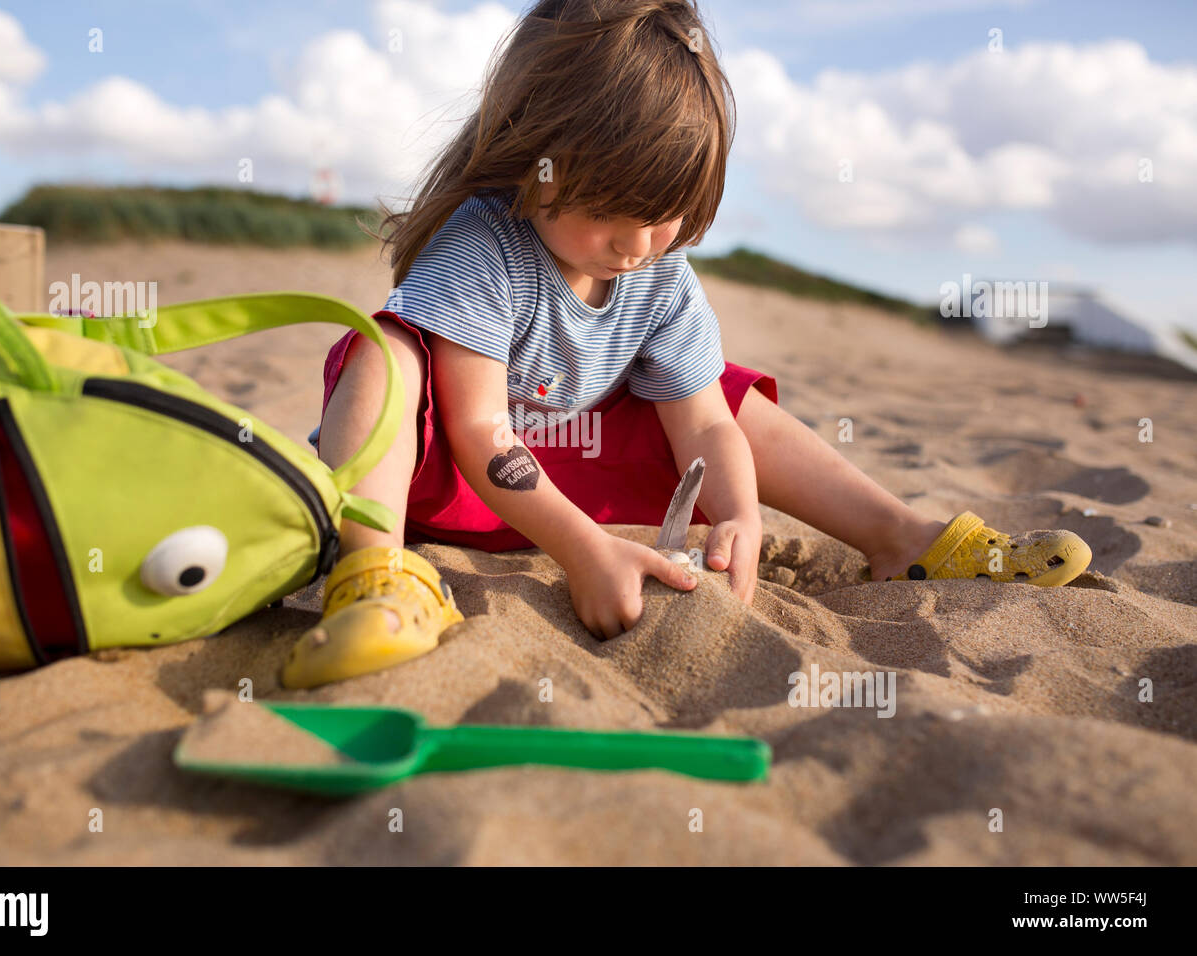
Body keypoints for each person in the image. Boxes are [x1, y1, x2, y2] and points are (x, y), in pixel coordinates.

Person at [281, 0, 1090, 688]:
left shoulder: (659, 273)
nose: (636, 243)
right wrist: (585, 552)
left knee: (731, 399)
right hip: (439, 480)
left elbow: (704, 427)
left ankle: (902, 540)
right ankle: (373, 577)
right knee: (385, 356)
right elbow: (478, 431)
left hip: (570, 465)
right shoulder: (485, 246)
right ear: (537, 156)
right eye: (610, 207)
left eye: (662, 213)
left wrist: (736, 513)